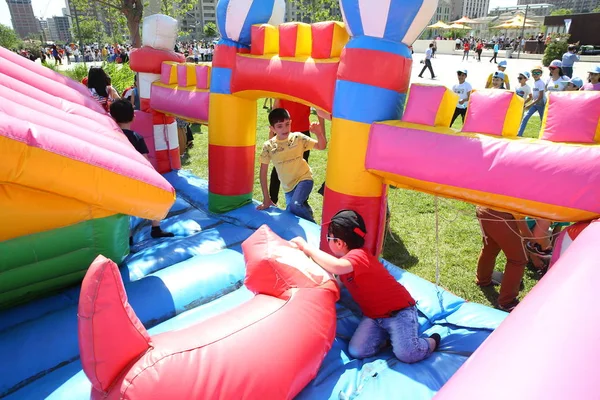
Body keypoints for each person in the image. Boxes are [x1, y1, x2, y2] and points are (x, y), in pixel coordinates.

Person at [290, 210, 440, 362]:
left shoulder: (358, 256)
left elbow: (337, 267)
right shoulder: (346, 266)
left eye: (329, 237)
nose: (328, 241)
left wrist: (305, 247)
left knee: (408, 354)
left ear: (339, 243)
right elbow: (336, 284)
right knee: (357, 351)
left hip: (399, 312)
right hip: (375, 317)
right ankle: (390, 338)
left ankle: (430, 342)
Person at [109, 100, 175, 240]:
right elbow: (146, 162)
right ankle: (156, 227)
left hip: (117, 179)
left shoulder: (111, 136)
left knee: (123, 209)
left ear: (112, 118)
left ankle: (128, 236)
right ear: (133, 116)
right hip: (135, 178)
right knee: (155, 197)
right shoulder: (136, 137)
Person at [257, 108, 327, 222]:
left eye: (287, 124)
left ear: (291, 122)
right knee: (292, 213)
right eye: (280, 126)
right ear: (272, 128)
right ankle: (307, 211)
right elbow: (263, 172)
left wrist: (319, 133)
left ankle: (315, 228)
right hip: (288, 188)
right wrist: (266, 198)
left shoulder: (298, 138)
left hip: (304, 178)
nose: (284, 128)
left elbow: (321, 146)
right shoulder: (268, 146)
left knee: (295, 205)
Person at [475, 207, 529, 312]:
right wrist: (535, 241)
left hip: (483, 208)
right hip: (501, 215)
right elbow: (521, 221)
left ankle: (483, 280)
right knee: (518, 260)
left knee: (489, 249)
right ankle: (507, 302)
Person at [268, 99, 313, 205]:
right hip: (284, 131)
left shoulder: (307, 88)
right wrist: (272, 134)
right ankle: (272, 199)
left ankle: (301, 200)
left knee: (302, 168)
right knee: (279, 166)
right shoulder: (284, 87)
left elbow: (319, 109)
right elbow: (275, 109)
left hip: (302, 131)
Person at [517, 66, 545, 137]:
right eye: (534, 73)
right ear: (532, 75)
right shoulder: (534, 83)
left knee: (543, 121)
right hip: (535, 104)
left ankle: (542, 136)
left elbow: (540, 97)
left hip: (541, 104)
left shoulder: (541, 83)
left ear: (541, 74)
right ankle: (519, 134)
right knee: (525, 117)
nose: (536, 74)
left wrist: (530, 105)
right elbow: (533, 95)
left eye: (538, 73)